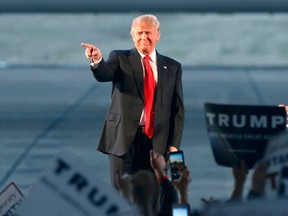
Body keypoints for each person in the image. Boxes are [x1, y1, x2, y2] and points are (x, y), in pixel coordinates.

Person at [81, 14, 185, 190]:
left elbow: (177, 110)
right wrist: (97, 60)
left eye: (148, 32)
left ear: (157, 34)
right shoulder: (120, 58)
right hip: (123, 141)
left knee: (152, 199)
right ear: (132, 34)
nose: (144, 37)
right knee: (121, 197)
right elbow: (104, 74)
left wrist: (174, 146)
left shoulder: (173, 67)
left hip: (156, 143)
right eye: (139, 33)